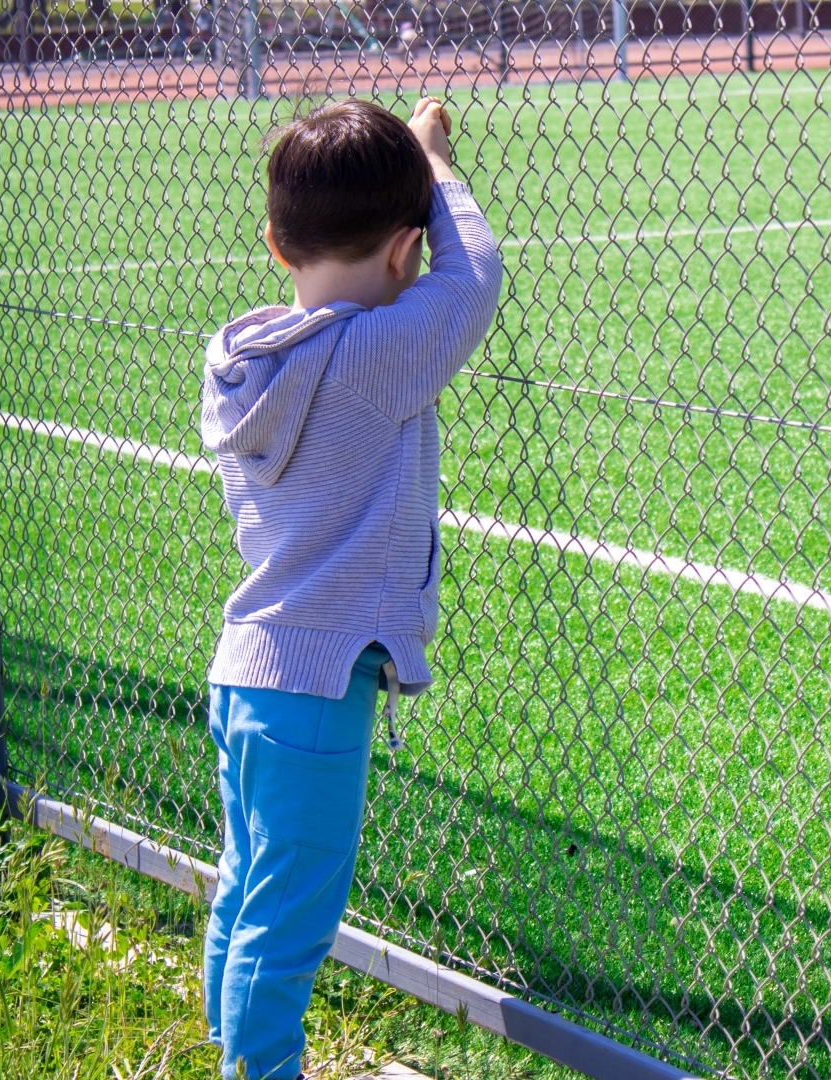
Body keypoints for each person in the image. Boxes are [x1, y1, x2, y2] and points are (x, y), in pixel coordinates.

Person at [198, 96, 501, 1080]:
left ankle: (230, 1055)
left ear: (276, 246)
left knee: (250, 890)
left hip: (249, 672)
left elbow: (443, 284)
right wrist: (437, 163)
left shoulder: (241, 360)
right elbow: (477, 281)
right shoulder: (375, 360)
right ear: (406, 252)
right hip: (317, 693)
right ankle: (257, 1071)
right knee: (290, 919)